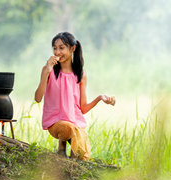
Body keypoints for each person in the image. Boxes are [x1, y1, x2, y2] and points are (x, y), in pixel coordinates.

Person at [34, 32, 115, 160]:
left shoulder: (80, 75)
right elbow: (38, 98)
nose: (57, 52)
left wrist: (100, 98)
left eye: (61, 48)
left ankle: (67, 158)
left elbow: (83, 108)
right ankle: (61, 148)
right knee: (68, 128)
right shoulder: (48, 70)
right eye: (55, 48)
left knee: (83, 155)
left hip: (76, 123)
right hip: (56, 122)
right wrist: (47, 71)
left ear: (72, 49)